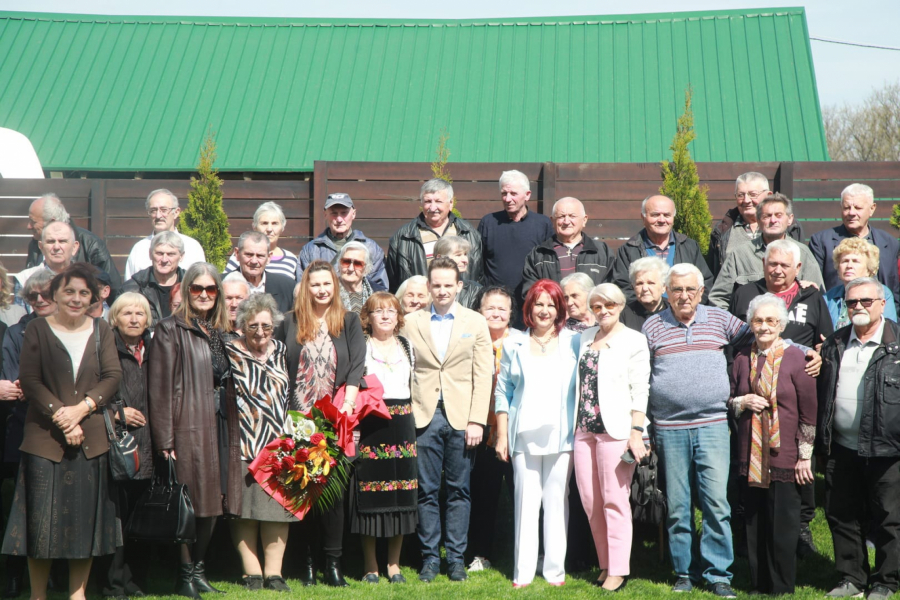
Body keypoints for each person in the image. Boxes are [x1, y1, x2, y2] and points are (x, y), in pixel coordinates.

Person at [1, 263, 122, 600]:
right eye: (69, 291)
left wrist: (82, 409)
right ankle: (37, 595)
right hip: (44, 441)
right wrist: (62, 417)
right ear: (55, 294)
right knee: (40, 525)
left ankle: (77, 594)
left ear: (93, 298)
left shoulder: (102, 331)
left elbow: (112, 377)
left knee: (84, 525)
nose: (76, 298)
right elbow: (31, 380)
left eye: (84, 293)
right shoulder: (37, 329)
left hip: (91, 441)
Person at [643, 263, 749, 598]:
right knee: (678, 505)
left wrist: (805, 351)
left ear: (701, 292)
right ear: (666, 293)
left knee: (717, 503)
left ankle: (719, 574)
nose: (684, 295)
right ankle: (683, 572)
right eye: (677, 289)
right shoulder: (652, 326)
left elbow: (759, 338)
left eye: (691, 289)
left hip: (714, 425)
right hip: (669, 427)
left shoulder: (719, 319)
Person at [148, 262, 242, 599]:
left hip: (218, 423)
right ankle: (184, 575)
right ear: (186, 291)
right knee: (188, 503)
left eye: (211, 289)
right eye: (197, 288)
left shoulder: (218, 331)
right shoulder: (169, 329)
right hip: (186, 424)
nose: (204, 294)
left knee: (214, 500)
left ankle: (199, 571)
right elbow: (158, 389)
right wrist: (166, 439)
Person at [400, 257, 492, 583]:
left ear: (459, 286)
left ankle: (455, 559)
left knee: (459, 491)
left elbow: (483, 375)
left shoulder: (475, 322)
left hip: (461, 418)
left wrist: (477, 420)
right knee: (425, 491)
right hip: (423, 416)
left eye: (447, 285)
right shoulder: (410, 322)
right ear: (428, 286)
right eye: (436, 285)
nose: (441, 290)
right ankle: (429, 560)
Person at [276, 260, 365, 587]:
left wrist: (349, 405)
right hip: (298, 419)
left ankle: (334, 563)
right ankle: (307, 563)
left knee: (335, 494)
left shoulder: (349, 321)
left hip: (335, 418)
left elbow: (356, 367)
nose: (322, 290)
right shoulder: (288, 323)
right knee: (303, 491)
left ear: (335, 286)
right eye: (315, 284)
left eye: (327, 284)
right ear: (306, 287)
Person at [817, 277, 900, 600]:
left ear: (882, 303)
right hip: (841, 446)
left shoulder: (896, 343)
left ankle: (885, 580)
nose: (859, 307)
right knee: (841, 514)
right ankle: (851, 577)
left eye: (866, 301)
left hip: (887, 448)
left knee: (889, 518)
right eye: (852, 302)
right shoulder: (835, 343)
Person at [729, 294, 816, 595]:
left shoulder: (797, 358)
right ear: (750, 323)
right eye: (758, 320)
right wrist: (741, 400)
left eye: (770, 321)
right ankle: (758, 582)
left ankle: (780, 585)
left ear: (781, 324)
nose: (764, 326)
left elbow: (809, 411)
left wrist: (805, 456)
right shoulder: (741, 358)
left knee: (781, 524)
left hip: (785, 455)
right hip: (749, 453)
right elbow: (728, 398)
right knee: (754, 521)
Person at [494, 279, 578, 588]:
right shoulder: (513, 343)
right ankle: (523, 572)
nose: (544, 310)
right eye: (538, 304)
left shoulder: (573, 342)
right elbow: (502, 393)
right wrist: (502, 437)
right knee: (526, 502)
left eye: (551, 304)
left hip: (562, 434)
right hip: (522, 435)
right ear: (529, 308)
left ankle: (555, 571)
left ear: (560, 309)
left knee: (557, 501)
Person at [575, 283, 650, 592]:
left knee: (614, 501)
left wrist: (636, 432)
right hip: (583, 430)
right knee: (591, 502)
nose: (603, 310)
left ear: (620, 307)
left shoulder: (634, 340)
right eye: (596, 306)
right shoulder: (583, 338)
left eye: (609, 305)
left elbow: (640, 388)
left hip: (617, 431)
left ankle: (619, 569)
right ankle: (605, 564)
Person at [224, 293, 295, 592]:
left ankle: (274, 574)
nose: (260, 333)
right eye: (253, 326)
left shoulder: (281, 350)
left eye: (266, 326)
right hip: (242, 440)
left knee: (277, 510)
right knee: (245, 510)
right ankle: (251, 571)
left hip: (278, 444)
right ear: (242, 325)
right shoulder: (230, 349)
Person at [352, 293, 418, 584]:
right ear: (368, 316)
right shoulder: (361, 347)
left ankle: (394, 565)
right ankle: (371, 565)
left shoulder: (407, 346)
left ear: (398, 316)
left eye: (391, 311)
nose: (385, 316)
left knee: (401, 493)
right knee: (370, 494)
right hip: (372, 423)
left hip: (403, 423)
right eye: (378, 311)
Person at [0, 270, 55, 599]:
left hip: (59, 429)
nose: (40, 301)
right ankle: (14, 575)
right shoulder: (15, 333)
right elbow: (15, 382)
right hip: (22, 429)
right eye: (33, 296)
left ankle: (52, 574)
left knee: (50, 505)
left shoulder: (68, 331)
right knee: (19, 506)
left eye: (46, 294)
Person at [99, 292, 155, 599]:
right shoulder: (105, 348)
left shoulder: (155, 349)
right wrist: (116, 414)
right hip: (117, 445)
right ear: (114, 318)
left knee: (140, 515)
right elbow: (90, 393)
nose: (134, 319)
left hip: (150, 445)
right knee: (117, 519)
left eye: (140, 314)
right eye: (127, 313)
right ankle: (113, 584)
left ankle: (136, 581)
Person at [467, 286, 519, 572]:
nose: (496, 313)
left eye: (502, 308)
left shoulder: (522, 342)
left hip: (515, 432)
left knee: (521, 494)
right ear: (479, 312)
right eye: (490, 308)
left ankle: (526, 552)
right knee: (483, 495)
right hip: (482, 431)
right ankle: (481, 553)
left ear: (511, 313)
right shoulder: (472, 341)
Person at [710, 193, 823, 309]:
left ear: (790, 219)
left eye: (778, 215)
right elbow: (718, 298)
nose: (773, 220)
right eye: (767, 216)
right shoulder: (740, 255)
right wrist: (732, 324)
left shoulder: (803, 254)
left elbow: (819, 297)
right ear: (758, 221)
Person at [809, 183, 900, 313]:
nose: (851, 213)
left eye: (858, 208)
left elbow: (894, 289)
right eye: (846, 207)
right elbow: (816, 287)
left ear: (872, 209)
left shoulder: (889, 243)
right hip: (837, 315)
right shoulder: (822, 241)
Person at [730, 240, 834, 349]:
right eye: (773, 264)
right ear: (764, 263)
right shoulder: (744, 294)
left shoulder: (811, 297)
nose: (778, 270)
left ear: (797, 268)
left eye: (785, 265)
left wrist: (820, 355)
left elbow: (826, 342)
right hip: (751, 363)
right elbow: (730, 339)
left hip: (798, 364)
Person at [612, 195, 713, 303]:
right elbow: (623, 288)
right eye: (655, 215)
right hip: (645, 316)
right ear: (643, 217)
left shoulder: (689, 246)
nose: (661, 220)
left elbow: (705, 283)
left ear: (673, 218)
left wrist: (689, 308)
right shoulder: (629, 250)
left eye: (667, 215)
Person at [386, 179, 483, 291]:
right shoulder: (403, 237)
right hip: (419, 303)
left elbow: (479, 276)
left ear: (451, 203)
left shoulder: (469, 233)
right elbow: (393, 282)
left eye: (438, 201)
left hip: (461, 304)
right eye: (428, 201)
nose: (432, 208)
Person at [709, 172, 803, 277]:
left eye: (753, 194)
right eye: (741, 195)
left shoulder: (790, 227)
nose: (746, 200)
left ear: (769, 195)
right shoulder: (722, 230)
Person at [25, 194, 122, 295]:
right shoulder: (35, 243)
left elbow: (113, 289)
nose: (29, 226)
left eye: (33, 222)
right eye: (50, 242)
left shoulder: (91, 243)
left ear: (52, 222)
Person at [479, 170, 553, 300]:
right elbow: (478, 264)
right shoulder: (488, 222)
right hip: (496, 302)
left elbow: (549, 265)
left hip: (531, 301)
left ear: (527, 195)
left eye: (513, 194)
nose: (508, 199)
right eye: (504, 193)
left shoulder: (543, 224)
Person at [521, 196, 613, 299]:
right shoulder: (538, 255)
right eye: (561, 216)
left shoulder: (602, 252)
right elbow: (530, 293)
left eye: (572, 216)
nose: (566, 221)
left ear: (584, 220)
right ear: (552, 221)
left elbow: (611, 291)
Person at [298, 193, 388, 290]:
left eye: (344, 213)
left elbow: (380, 290)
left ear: (353, 214)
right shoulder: (311, 250)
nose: (339, 219)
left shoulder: (371, 248)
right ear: (325, 214)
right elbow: (302, 288)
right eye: (334, 213)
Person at [124, 189, 205, 280]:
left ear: (176, 212)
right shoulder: (139, 249)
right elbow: (130, 289)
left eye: (164, 210)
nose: (158, 215)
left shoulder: (192, 247)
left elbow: (200, 283)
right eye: (153, 210)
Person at [825, 237, 898, 328]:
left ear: (869, 268)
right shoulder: (829, 297)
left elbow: (889, 329)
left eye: (855, 261)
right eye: (845, 261)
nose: (849, 266)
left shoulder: (882, 292)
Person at [121, 231, 185, 332]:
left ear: (181, 256)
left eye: (171, 254)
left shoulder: (192, 287)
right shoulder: (132, 288)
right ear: (150, 254)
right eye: (159, 253)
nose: (164, 259)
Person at [225, 201, 297, 279]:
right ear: (254, 227)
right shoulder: (241, 256)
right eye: (264, 223)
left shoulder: (291, 259)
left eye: (274, 223)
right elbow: (227, 282)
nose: (269, 229)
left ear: (282, 228)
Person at [231, 231, 296, 314]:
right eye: (249, 255)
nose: (254, 261)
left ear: (269, 257)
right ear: (237, 254)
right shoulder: (221, 285)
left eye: (260, 256)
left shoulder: (287, 287)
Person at [15, 220, 81, 291]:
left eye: (62, 241)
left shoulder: (87, 279)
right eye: (50, 241)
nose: (56, 247)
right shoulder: (24, 279)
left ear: (74, 247)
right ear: (41, 246)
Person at [620, 257, 669, 331]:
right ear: (633, 287)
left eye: (651, 283)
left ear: (664, 287)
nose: (645, 288)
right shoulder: (624, 314)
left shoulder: (674, 311)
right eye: (640, 283)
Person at [434, 236, 482, 309]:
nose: (465, 260)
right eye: (458, 255)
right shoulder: (423, 287)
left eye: (465, 254)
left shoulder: (475, 290)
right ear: (440, 257)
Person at [335, 241, 374, 313]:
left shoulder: (376, 293)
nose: (350, 268)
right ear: (339, 265)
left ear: (366, 269)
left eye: (358, 264)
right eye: (346, 262)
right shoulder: (329, 293)